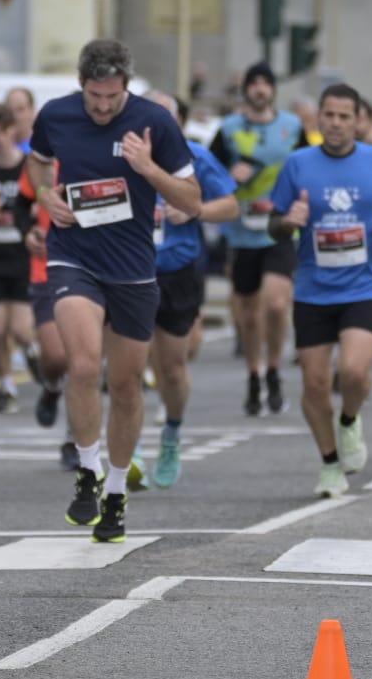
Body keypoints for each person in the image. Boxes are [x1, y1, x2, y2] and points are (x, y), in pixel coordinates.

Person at [25, 39, 199, 543]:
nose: (102, 107)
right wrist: (46, 193)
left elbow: (192, 199)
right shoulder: (56, 115)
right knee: (82, 364)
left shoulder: (156, 122)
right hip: (73, 256)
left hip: (133, 267)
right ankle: (86, 470)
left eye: (112, 97)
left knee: (125, 386)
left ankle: (117, 493)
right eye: (94, 97)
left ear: (127, 85)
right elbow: (37, 162)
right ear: (82, 85)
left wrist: (148, 169)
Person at [269, 84, 372, 497]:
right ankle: (330, 463)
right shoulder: (297, 163)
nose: (336, 123)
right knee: (313, 383)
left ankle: (349, 419)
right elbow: (274, 227)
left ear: (358, 121)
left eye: (345, 116)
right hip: (313, 287)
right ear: (318, 118)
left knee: (352, 372)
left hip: (365, 282)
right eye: (329, 115)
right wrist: (289, 221)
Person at [142, 93, 237, 490]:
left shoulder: (195, 156)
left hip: (178, 270)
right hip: (130, 270)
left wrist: (194, 210)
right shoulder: (122, 155)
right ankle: (124, 448)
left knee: (172, 368)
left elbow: (230, 206)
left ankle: (171, 434)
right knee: (125, 366)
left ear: (178, 123)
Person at [209, 64, 305, 418]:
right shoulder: (230, 130)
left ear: (274, 91)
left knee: (277, 304)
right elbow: (208, 175)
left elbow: (308, 168)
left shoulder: (292, 127)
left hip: (279, 229)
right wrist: (228, 178)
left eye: (267, 84)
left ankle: (275, 369)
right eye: (255, 84)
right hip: (241, 232)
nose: (261, 90)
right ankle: (254, 374)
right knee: (248, 314)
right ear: (246, 90)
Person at [0, 103, 36, 414]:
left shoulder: (26, 166)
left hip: (21, 255)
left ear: (14, 131)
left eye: (4, 131)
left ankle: (34, 350)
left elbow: (38, 204)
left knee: (21, 330)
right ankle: (6, 384)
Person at [18, 164, 71, 463]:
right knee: (56, 356)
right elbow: (21, 203)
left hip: (95, 267)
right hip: (47, 268)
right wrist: (28, 232)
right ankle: (51, 387)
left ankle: (74, 442)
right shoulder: (43, 162)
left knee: (83, 360)